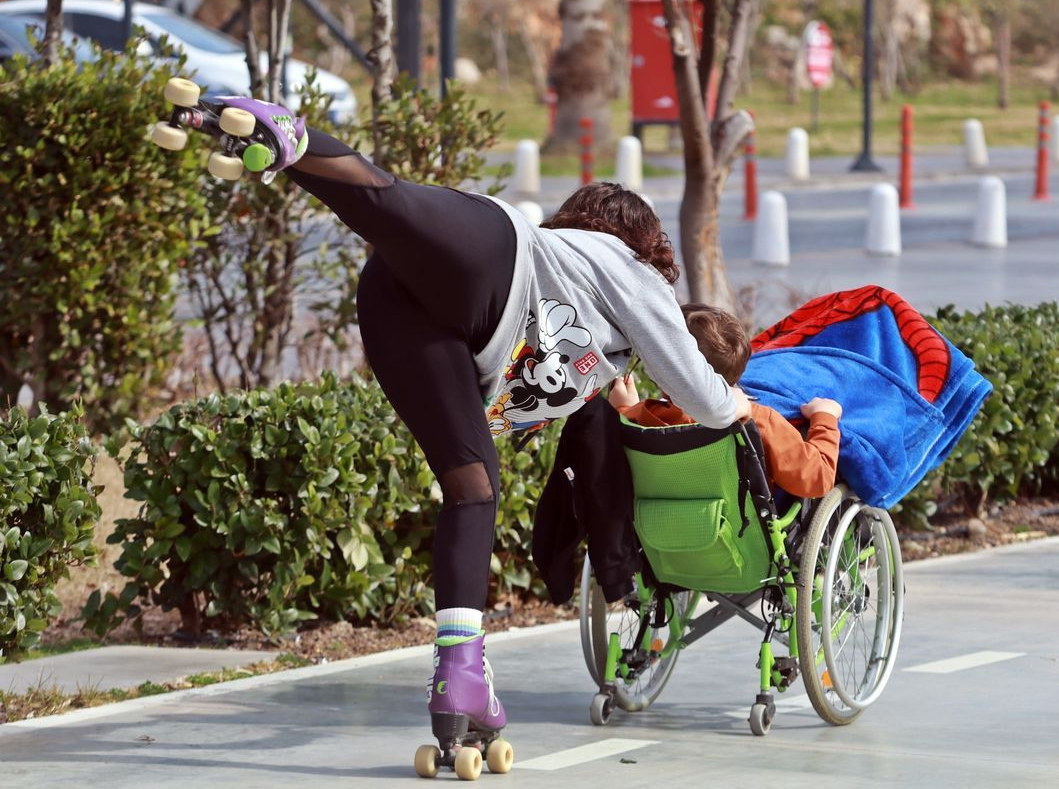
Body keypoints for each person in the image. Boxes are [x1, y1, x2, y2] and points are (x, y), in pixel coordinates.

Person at [232, 104, 753, 752]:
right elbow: (702, 397)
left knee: (474, 488)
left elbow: (563, 400)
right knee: (384, 203)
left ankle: (462, 672)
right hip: (498, 252)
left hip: (412, 317)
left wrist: (608, 384)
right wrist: (745, 409)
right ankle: (291, 140)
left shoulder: (595, 352)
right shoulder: (628, 268)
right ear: (642, 243)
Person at [609, 303, 842, 499]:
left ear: (664, 372)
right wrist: (825, 418)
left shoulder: (639, 418)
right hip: (739, 538)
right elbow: (816, 479)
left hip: (659, 541)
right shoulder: (757, 420)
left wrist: (622, 408)